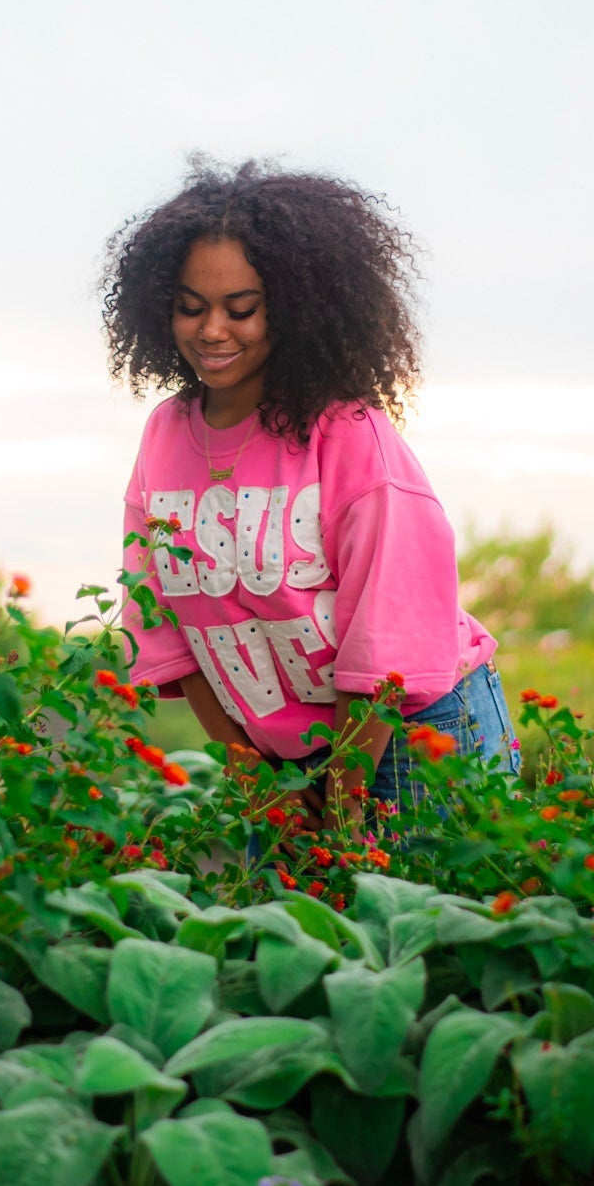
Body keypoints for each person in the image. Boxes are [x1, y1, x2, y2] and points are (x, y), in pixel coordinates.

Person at [102, 157, 518, 824]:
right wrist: (255, 779)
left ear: (294, 309)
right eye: (190, 307)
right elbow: (165, 627)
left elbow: (386, 639)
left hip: (416, 731)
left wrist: (344, 806)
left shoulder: (348, 436)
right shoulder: (164, 437)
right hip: (274, 757)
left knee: (420, 925)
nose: (211, 330)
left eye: (241, 309)